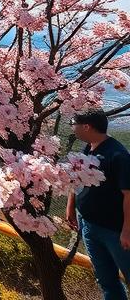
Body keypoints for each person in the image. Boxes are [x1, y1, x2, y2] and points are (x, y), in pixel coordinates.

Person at [66, 109, 130, 300]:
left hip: (115, 231)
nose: (72, 127)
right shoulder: (89, 147)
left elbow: (129, 195)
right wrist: (71, 206)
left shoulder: (118, 155)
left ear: (87, 126)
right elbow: (77, 179)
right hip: (89, 225)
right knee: (106, 281)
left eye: (74, 123)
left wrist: (127, 231)